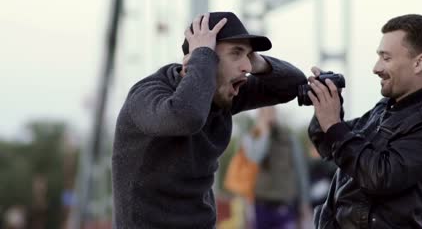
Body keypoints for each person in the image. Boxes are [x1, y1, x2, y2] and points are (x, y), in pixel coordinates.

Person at [112, 12, 307, 228]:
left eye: (248, 56)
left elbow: (294, 85)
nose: (247, 67)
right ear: (200, 60)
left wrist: (256, 61)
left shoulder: (222, 94)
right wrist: (203, 56)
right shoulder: (147, 96)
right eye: (236, 53)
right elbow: (186, 116)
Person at [307, 14, 422, 228]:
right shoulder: (385, 108)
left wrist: (334, 125)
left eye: (386, 58)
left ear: (419, 63)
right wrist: (327, 104)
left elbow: (380, 176)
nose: (376, 68)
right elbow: (327, 145)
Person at [241, 106, 310, 229]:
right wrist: (264, 133)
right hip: (261, 204)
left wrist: (304, 202)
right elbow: (255, 157)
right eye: (264, 112)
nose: (268, 114)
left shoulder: (289, 139)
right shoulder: (251, 137)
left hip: (285, 203)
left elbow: (300, 172)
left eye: (271, 110)